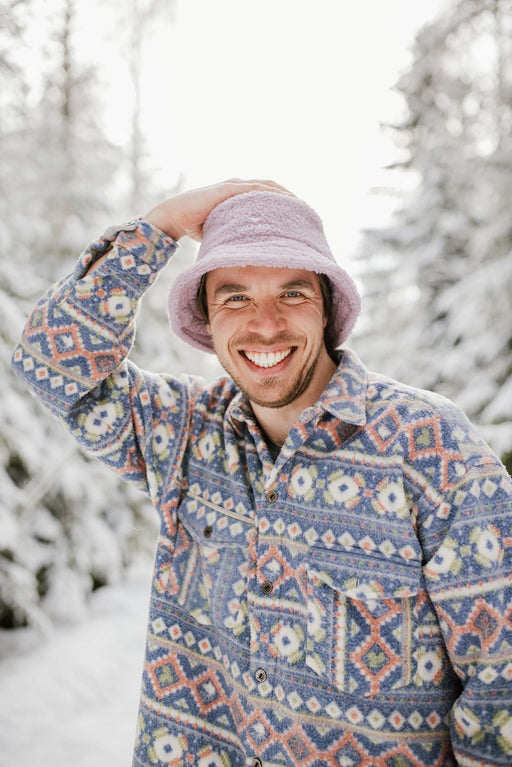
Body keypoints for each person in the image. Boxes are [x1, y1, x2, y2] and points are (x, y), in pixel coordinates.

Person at [12, 179, 512, 767]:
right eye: (235, 298)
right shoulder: (184, 432)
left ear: (327, 309)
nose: (266, 325)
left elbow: (501, 677)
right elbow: (52, 365)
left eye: (292, 294)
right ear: (206, 320)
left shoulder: (427, 444)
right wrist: (163, 224)